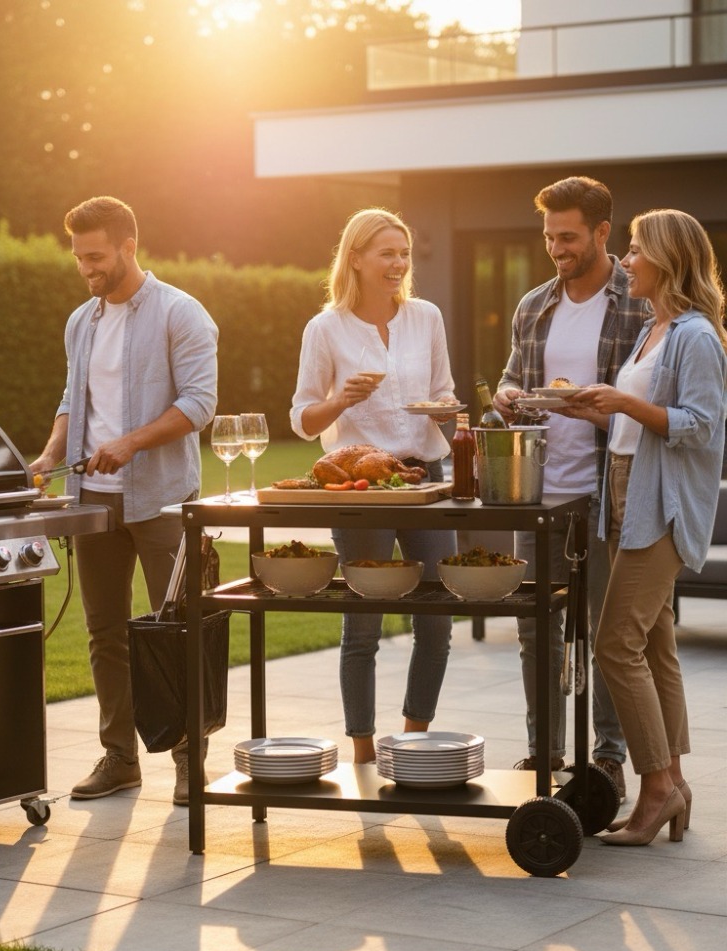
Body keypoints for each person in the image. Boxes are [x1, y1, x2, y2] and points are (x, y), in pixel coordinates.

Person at [30, 196, 218, 805]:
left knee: (177, 632)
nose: (87, 268)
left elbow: (199, 405)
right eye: (80, 258)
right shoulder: (79, 322)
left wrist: (130, 444)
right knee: (104, 632)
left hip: (163, 499)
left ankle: (190, 761)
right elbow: (71, 398)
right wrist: (50, 451)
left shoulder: (181, 313)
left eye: (97, 256)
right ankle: (119, 757)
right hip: (94, 501)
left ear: (129, 246)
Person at [565, 209, 726, 845]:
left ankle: (656, 787)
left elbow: (701, 425)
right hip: (628, 497)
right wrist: (595, 407)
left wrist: (626, 400)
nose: (626, 261)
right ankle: (675, 784)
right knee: (655, 648)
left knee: (615, 645)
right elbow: (637, 427)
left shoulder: (695, 335)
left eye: (635, 250)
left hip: (661, 506)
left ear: (667, 258)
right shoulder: (653, 330)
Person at [494, 176, 650, 799]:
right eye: (549, 237)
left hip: (611, 495)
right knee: (537, 626)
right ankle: (544, 751)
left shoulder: (640, 304)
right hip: (541, 496)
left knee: (610, 634)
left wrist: (603, 410)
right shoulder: (534, 305)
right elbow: (513, 377)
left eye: (568, 237)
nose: (556, 248)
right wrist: (506, 395)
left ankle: (608, 757)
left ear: (603, 232)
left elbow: (653, 405)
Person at [290, 208, 458, 764]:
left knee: (436, 619)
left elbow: (444, 393)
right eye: (386, 253)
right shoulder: (326, 329)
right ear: (355, 258)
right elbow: (304, 420)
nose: (398, 264)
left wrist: (446, 410)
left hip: (423, 480)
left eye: (403, 253)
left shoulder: (426, 317)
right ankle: (361, 751)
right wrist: (342, 400)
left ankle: (411, 741)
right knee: (362, 627)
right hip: (362, 486)